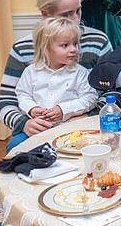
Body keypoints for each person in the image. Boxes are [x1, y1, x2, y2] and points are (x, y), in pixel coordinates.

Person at [0, 0, 117, 153]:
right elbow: (6, 101)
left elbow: (112, 92)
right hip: (37, 131)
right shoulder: (22, 50)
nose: (75, 20)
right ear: (45, 14)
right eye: (66, 15)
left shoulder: (98, 41)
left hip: (83, 128)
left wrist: (85, 117)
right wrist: (24, 123)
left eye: (78, 11)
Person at [11, 18, 98, 150]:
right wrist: (32, 109)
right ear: (45, 48)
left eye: (75, 44)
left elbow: (90, 98)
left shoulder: (80, 73)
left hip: (68, 128)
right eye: (65, 45)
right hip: (38, 128)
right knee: (14, 146)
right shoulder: (31, 71)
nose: (73, 49)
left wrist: (63, 109)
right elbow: (22, 95)